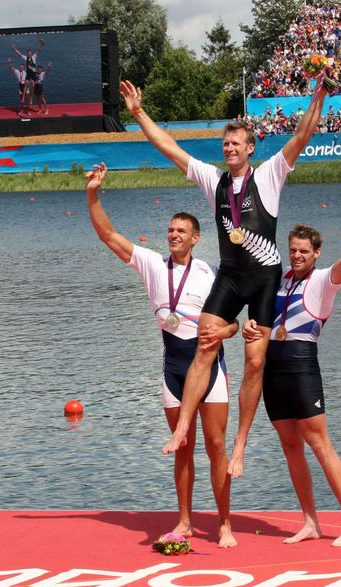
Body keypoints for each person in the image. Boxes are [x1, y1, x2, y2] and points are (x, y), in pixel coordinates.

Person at [120, 73, 328, 477]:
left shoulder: (268, 175)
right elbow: (169, 148)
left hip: (265, 277)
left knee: (254, 363)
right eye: (225, 143)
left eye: (237, 143)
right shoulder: (212, 179)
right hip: (232, 276)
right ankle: (183, 426)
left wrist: (318, 95)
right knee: (205, 341)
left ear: (251, 149)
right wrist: (139, 112)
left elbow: (301, 136)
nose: (230, 148)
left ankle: (240, 445)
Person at [86, 162, 239, 547]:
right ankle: (185, 521)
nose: (173, 234)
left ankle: (224, 524)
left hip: (209, 366)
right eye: (170, 230)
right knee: (181, 447)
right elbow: (108, 235)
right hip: (172, 366)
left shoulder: (211, 273)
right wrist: (92, 193)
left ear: (195, 238)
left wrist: (225, 330)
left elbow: (235, 324)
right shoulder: (152, 264)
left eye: (181, 231)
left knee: (215, 445)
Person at [242, 188, 341, 547]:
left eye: (305, 251)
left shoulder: (323, 281)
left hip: (303, 367)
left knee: (319, 443)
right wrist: (250, 326)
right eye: (294, 250)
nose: (298, 255)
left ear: (316, 253)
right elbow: (262, 322)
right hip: (274, 369)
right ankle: (310, 521)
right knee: (290, 447)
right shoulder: (281, 280)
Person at [12, 39, 43, 113]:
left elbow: (39, 51)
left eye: (30, 53)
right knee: (26, 85)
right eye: (28, 53)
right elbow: (19, 54)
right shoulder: (26, 58)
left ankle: (33, 99)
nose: (29, 54)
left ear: (31, 53)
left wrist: (41, 44)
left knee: (34, 86)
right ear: (27, 54)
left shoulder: (34, 57)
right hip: (28, 74)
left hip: (33, 74)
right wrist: (14, 48)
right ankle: (23, 98)